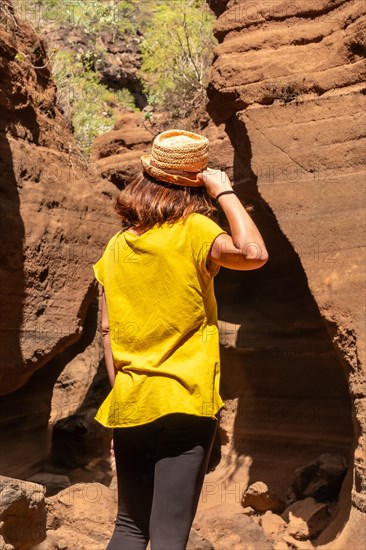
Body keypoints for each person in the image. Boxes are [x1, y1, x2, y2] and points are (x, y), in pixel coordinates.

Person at [93, 129, 268, 550]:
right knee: (171, 535)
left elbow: (106, 331)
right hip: (186, 399)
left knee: (129, 528)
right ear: (196, 183)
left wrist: (124, 400)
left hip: (132, 399)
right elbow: (254, 253)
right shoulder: (195, 230)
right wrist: (225, 192)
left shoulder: (116, 246)